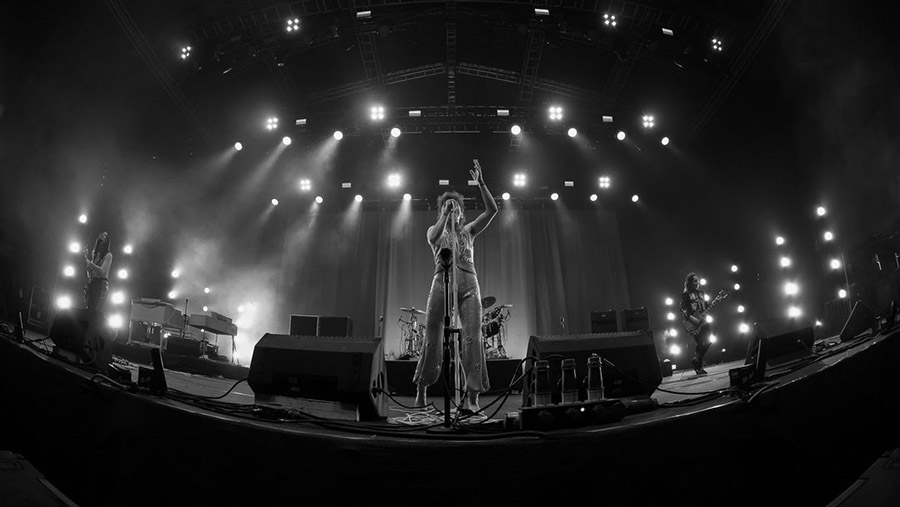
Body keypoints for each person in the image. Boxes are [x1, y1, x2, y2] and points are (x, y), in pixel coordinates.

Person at [413, 159, 498, 413]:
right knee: (432, 337)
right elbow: (434, 237)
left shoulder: (469, 231)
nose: (455, 211)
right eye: (449, 208)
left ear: (463, 212)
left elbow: (492, 210)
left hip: (469, 283)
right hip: (442, 281)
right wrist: (445, 215)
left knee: (473, 338)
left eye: (458, 208)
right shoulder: (435, 229)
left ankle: (472, 396)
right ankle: (422, 390)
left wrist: (481, 183)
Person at [681, 272, 711, 375]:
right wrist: (694, 320)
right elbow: (684, 311)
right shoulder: (686, 295)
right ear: (689, 283)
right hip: (693, 322)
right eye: (694, 280)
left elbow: (705, 306)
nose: (697, 282)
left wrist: (714, 303)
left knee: (709, 341)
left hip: (704, 320)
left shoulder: (701, 293)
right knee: (700, 343)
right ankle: (699, 367)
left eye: (697, 280)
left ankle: (696, 360)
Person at [83, 231, 113, 312]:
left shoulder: (108, 255)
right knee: (89, 308)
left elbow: (102, 271)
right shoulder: (96, 256)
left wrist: (89, 263)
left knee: (96, 310)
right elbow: (90, 271)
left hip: (101, 283)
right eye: (100, 240)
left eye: (104, 236)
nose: (101, 240)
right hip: (93, 282)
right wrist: (85, 258)